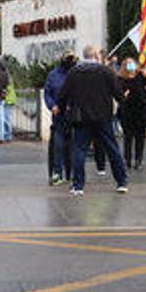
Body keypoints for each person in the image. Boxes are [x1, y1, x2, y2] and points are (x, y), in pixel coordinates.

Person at [55, 45, 128, 196]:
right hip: (103, 116)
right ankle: (121, 182)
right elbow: (118, 94)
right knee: (112, 148)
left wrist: (60, 109)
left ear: (83, 56)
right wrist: (123, 99)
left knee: (79, 150)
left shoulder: (74, 72)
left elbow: (63, 95)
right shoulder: (106, 71)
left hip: (81, 117)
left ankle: (78, 185)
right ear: (96, 56)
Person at [45, 51, 77, 185]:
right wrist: (52, 106)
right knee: (58, 146)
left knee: (75, 147)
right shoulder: (53, 75)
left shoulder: (77, 73)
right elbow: (47, 93)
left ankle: (73, 174)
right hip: (59, 117)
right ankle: (57, 173)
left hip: (75, 117)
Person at [119, 58, 146, 171]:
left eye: (131, 63)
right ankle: (127, 159)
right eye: (127, 64)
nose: (130, 66)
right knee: (128, 137)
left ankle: (138, 159)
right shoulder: (121, 78)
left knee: (140, 137)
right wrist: (123, 95)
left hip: (141, 111)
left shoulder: (141, 76)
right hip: (127, 111)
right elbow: (118, 93)